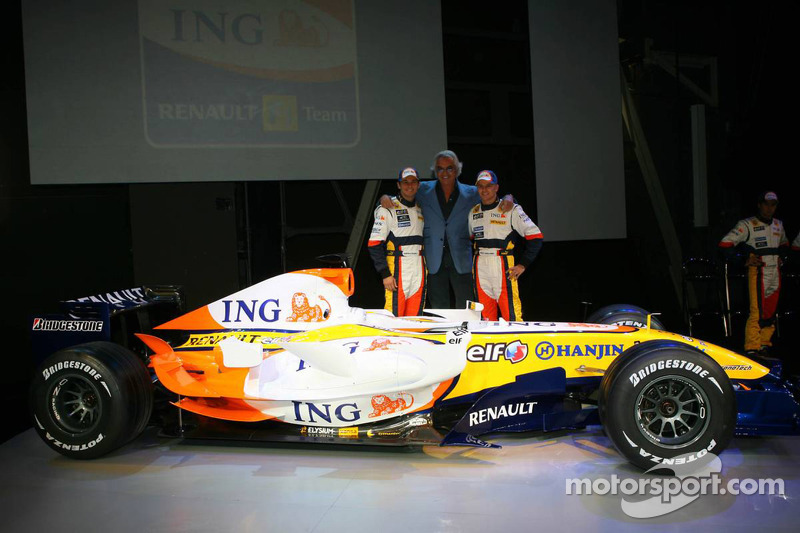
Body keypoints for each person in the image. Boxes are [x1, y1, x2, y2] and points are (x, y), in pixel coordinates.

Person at [380, 150, 513, 309]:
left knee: (466, 308)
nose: (445, 172)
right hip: (433, 258)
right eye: (440, 168)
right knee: (439, 309)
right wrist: (383, 198)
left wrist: (509, 198)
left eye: (449, 168)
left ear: (457, 170)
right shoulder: (422, 189)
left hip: (461, 258)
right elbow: (398, 198)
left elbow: (496, 200)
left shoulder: (471, 192)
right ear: (435, 171)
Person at [718, 191, 789, 354]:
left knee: (770, 310)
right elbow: (724, 245)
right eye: (766, 204)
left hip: (775, 272)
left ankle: (764, 341)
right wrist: (743, 259)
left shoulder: (778, 224)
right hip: (758, 271)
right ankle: (752, 346)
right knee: (756, 310)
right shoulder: (747, 224)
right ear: (759, 204)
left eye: (773, 205)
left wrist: (783, 257)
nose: (769, 208)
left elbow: (785, 244)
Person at [468, 170, 543, 321]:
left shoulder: (511, 209)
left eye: (488, 186)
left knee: (512, 317)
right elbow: (470, 239)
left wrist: (523, 264)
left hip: (502, 265)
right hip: (480, 266)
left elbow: (536, 237)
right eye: (480, 186)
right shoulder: (473, 212)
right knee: (485, 318)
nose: (484, 190)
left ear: (496, 188)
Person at [368, 167, 426, 316]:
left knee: (415, 318)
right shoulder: (387, 207)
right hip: (398, 266)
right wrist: (385, 273)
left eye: (413, 182)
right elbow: (374, 244)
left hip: (419, 265)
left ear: (418, 185)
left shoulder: (422, 207)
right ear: (398, 185)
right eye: (405, 182)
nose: (409, 185)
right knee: (394, 316)